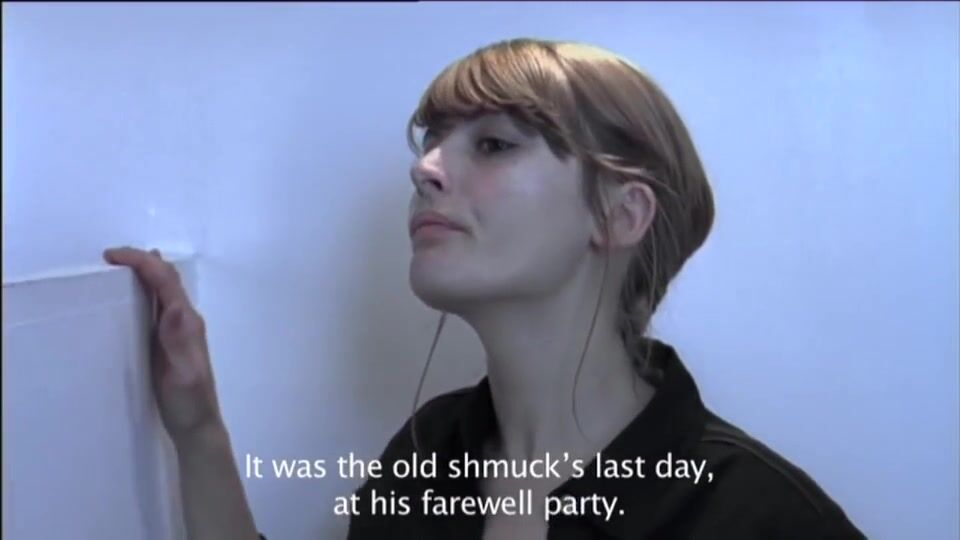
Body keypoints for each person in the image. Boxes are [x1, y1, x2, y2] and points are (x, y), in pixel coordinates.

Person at [105, 38, 865, 539]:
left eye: (494, 144)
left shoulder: (759, 517)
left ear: (620, 213)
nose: (424, 168)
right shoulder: (425, 460)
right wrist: (198, 430)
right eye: (432, 142)